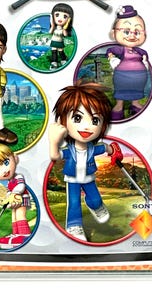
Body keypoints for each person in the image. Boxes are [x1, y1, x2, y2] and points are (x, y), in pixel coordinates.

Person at [48, 81, 123, 242]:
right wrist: (53, 141)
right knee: (74, 202)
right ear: (63, 121)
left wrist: (114, 150)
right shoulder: (69, 150)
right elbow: (55, 156)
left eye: (95, 120)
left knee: (96, 199)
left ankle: (95, 206)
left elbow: (106, 148)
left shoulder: (93, 148)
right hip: (73, 180)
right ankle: (73, 225)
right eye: (77, 117)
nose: (87, 127)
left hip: (89, 178)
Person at [106, 5, 150, 120]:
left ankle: (135, 104)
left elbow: (145, 58)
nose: (132, 35)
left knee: (136, 92)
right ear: (114, 34)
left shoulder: (141, 51)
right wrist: (112, 59)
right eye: (126, 31)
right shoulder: (121, 50)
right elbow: (110, 51)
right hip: (122, 78)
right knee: (121, 93)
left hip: (138, 81)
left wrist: (145, 63)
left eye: (137, 32)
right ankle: (119, 106)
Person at [48, 2, 74, 69]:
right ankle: (54, 62)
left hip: (59, 42)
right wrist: (52, 25)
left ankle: (63, 60)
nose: (60, 18)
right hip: (54, 41)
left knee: (60, 51)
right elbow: (50, 32)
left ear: (69, 19)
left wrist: (65, 27)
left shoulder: (63, 29)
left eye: (65, 16)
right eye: (57, 15)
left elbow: (65, 35)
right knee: (54, 51)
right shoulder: (54, 28)